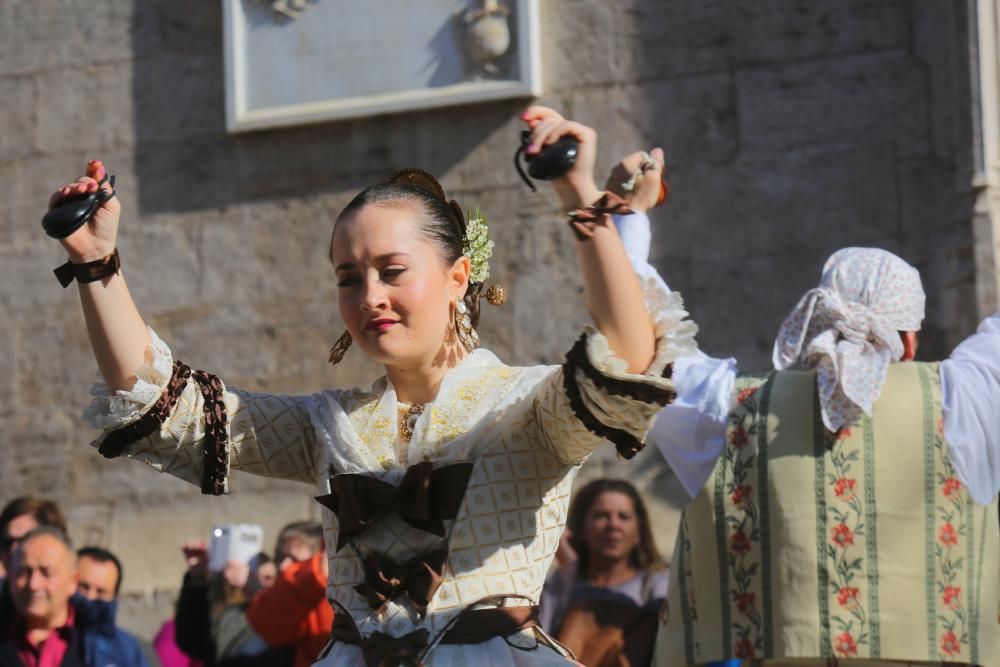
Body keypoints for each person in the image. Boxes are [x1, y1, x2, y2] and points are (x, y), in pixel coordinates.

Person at [50, 105, 698, 665]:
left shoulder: (523, 404)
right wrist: (95, 261)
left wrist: (577, 191)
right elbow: (171, 409)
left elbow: (630, 355)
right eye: (348, 279)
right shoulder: (330, 423)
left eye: (392, 271)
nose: (371, 298)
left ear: (456, 277)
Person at [601, 165, 999, 665]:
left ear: (816, 321)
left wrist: (627, 217)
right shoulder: (970, 396)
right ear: (911, 339)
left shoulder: (732, 407)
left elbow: (648, 345)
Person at [540, 479, 667, 667]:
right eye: (601, 516)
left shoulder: (656, 585)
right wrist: (568, 568)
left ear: (639, 530)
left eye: (623, 517)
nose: (613, 525)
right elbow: (536, 639)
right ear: (582, 528)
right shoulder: (563, 582)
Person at [174, 540, 290, 667]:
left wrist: (254, 589)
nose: (264, 584)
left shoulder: (285, 616)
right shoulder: (232, 615)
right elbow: (193, 642)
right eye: (261, 578)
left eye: (269, 578)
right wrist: (198, 579)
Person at [245, 523, 331, 667]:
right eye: (280, 557)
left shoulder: (335, 593)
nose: (283, 566)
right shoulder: (293, 595)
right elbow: (267, 625)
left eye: (294, 559)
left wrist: (317, 573)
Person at [74, 547, 149, 667]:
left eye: (101, 592)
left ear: (115, 596)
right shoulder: (48, 636)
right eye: (83, 587)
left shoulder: (127, 649)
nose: (90, 597)